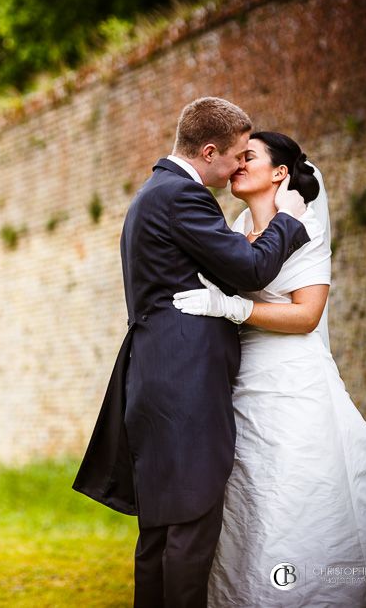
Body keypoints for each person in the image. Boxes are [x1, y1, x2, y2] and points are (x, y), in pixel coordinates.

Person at [172, 131, 366, 607]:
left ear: (279, 173)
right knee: (247, 499)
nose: (237, 163)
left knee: (295, 493)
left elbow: (306, 316)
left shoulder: (307, 230)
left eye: (248, 156)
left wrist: (234, 310)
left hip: (292, 382)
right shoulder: (236, 231)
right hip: (240, 385)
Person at [73, 97, 311, 607]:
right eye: (235, 156)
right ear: (208, 151)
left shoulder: (157, 192)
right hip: (184, 388)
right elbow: (249, 270)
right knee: (188, 532)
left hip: (162, 379)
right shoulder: (181, 196)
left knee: (161, 534)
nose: (236, 169)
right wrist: (288, 219)